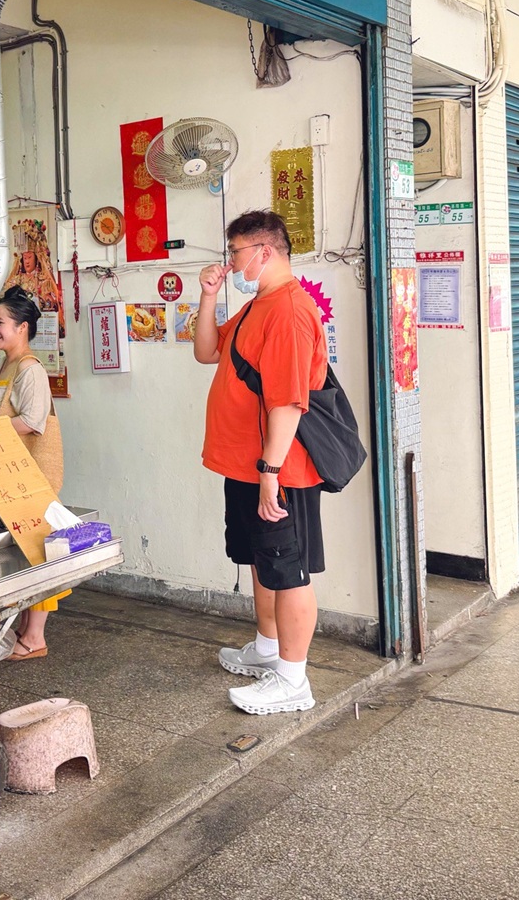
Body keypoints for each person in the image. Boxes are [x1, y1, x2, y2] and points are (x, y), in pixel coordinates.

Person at [194, 210, 328, 715]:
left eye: (236, 252)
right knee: (261, 560)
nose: (231, 262)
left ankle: (293, 680)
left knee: (289, 570)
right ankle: (268, 649)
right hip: (247, 464)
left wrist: (270, 473)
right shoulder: (258, 305)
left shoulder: (289, 310)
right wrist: (209, 296)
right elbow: (207, 351)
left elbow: (289, 402)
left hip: (278, 469)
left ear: (264, 252)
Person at [0, 285, 67, 661]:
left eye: (0, 322)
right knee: (24, 553)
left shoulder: (30, 369)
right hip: (13, 474)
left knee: (38, 552)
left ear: (22, 328)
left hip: (31, 475)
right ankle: (24, 630)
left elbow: (32, 421)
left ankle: (35, 637)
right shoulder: (7, 365)